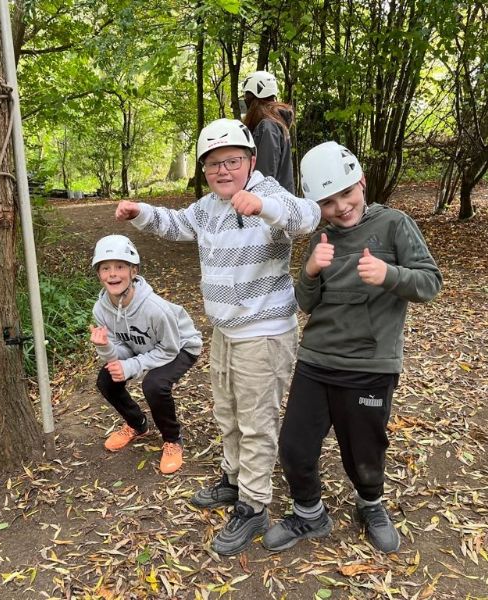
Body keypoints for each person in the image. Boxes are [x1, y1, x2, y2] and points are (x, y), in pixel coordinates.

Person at [115, 119, 320, 555]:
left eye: (232, 161)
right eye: (213, 164)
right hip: (225, 330)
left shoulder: (270, 194)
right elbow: (177, 224)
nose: (222, 170)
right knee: (227, 412)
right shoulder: (209, 205)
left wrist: (262, 206)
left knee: (256, 422)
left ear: (251, 161)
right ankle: (233, 478)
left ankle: (254, 504)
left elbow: (308, 216)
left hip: (264, 333)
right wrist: (140, 213)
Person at [262, 141, 442, 555]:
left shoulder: (394, 224)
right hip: (316, 359)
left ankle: (370, 504)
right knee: (294, 446)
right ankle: (309, 513)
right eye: (327, 201)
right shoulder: (321, 238)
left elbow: (430, 282)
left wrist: (389, 274)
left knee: (364, 448)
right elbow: (307, 303)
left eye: (346, 193)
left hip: (370, 363)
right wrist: (310, 271)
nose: (341, 207)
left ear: (361, 182)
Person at [90, 234, 202, 475]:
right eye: (105, 268)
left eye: (120, 267)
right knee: (106, 379)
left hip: (180, 346)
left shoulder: (155, 309)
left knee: (154, 384)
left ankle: (172, 439)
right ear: (98, 274)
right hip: (144, 347)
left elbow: (169, 349)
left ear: (134, 271)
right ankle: (137, 424)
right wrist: (105, 348)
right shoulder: (101, 309)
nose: (113, 274)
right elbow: (122, 347)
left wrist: (131, 366)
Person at [242, 70, 295, 193]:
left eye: (246, 95)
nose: (245, 100)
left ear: (252, 97)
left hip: (270, 201)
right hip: (276, 198)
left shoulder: (268, 127)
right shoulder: (274, 123)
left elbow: (264, 177)